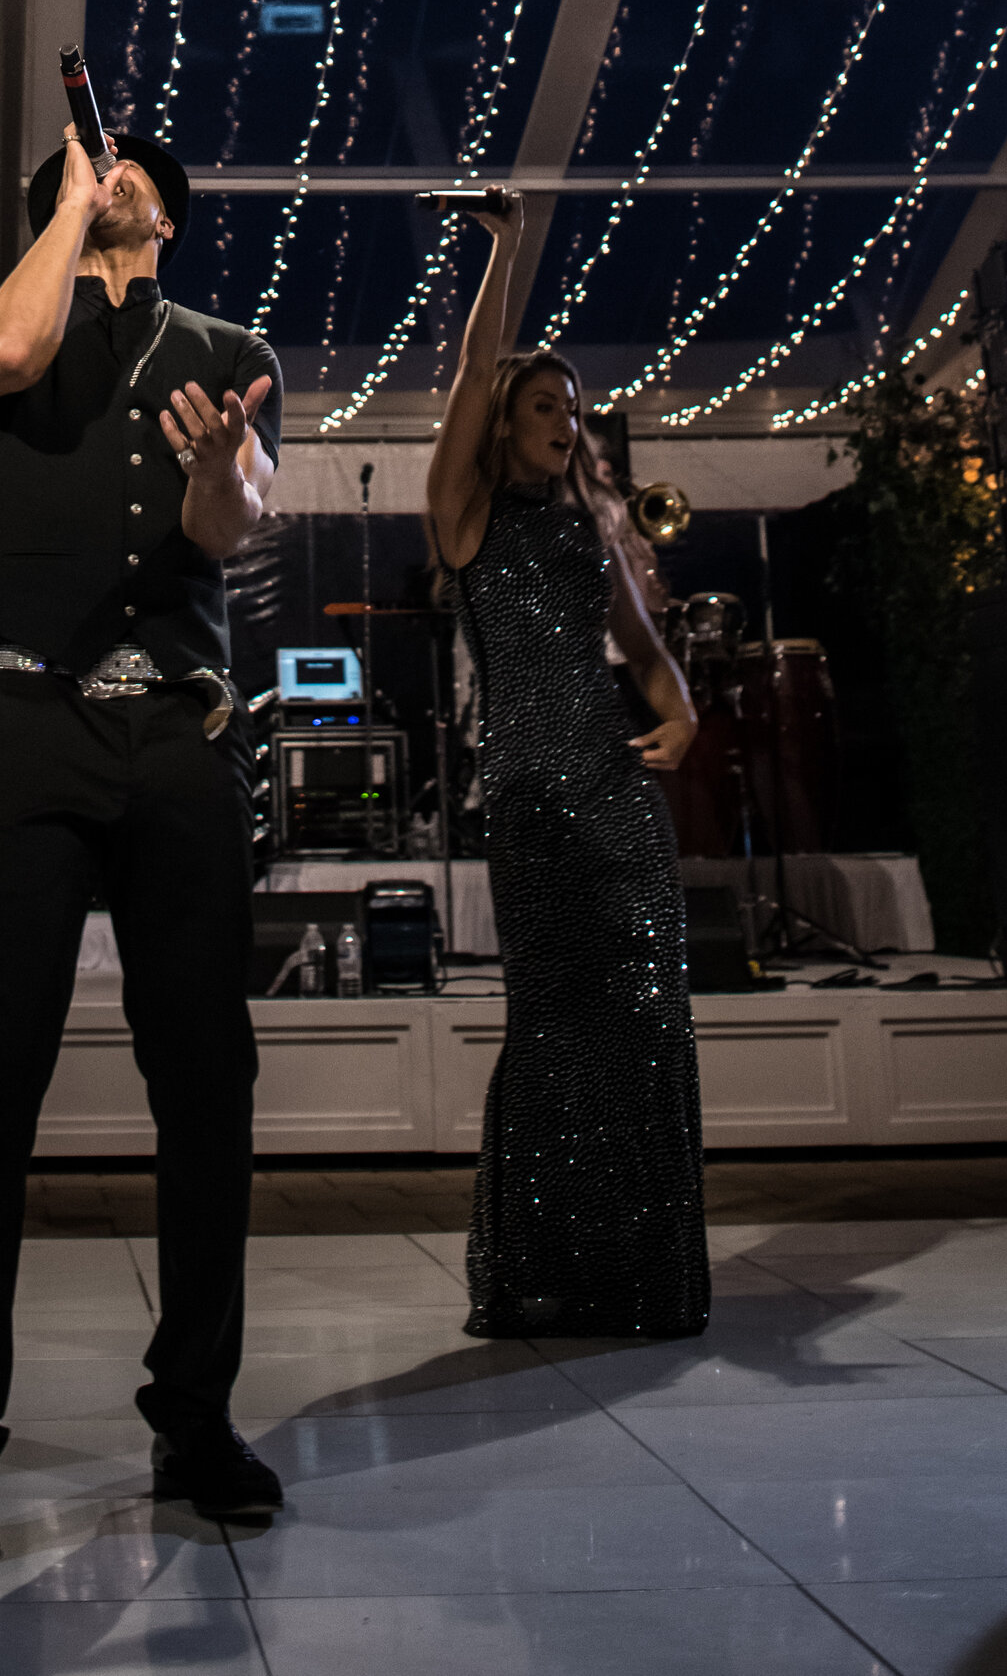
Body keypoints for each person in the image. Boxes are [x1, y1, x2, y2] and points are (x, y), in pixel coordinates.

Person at [0, 128, 283, 1574]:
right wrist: (62, 209)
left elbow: (228, 527)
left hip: (177, 730)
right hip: (19, 723)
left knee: (207, 1077)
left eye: (129, 174)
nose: (108, 173)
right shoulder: (10, 315)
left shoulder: (233, 351)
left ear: (167, 213)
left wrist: (220, 473)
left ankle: (198, 1415)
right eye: (88, 169)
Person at [426, 195, 709, 1342]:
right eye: (543, 404)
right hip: (531, 803)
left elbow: (646, 654)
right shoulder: (465, 517)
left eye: (573, 406)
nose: (565, 418)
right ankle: (547, 1272)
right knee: (553, 1023)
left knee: (648, 1020)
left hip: (615, 797)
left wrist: (681, 720)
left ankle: (641, 1276)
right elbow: (466, 381)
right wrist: (504, 248)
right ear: (503, 424)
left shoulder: (592, 532)